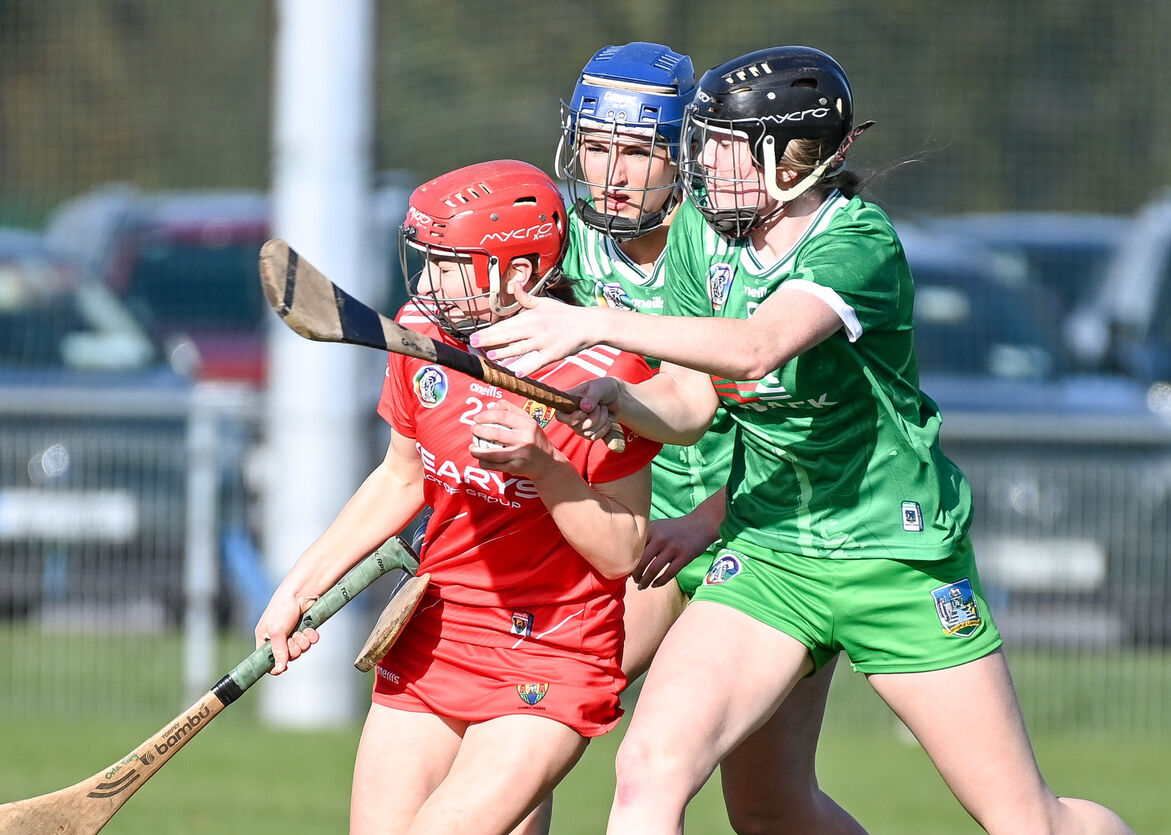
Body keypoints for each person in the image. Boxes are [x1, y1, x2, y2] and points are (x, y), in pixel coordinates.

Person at [471, 47, 1135, 834]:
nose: (702, 163)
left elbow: (757, 348)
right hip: (770, 554)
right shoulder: (704, 242)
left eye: (724, 145)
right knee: (655, 774)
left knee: (1029, 821)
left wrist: (593, 324)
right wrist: (621, 399)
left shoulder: (856, 243)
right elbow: (691, 401)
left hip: (893, 557)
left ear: (788, 160)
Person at [253, 159, 662, 835]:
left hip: (552, 647)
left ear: (519, 272)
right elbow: (400, 477)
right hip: (438, 631)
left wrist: (546, 467)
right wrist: (297, 589)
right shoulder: (421, 334)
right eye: (428, 261)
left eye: (448, 266)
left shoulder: (606, 370)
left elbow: (622, 551)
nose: (427, 282)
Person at [535, 41, 860, 835]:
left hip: (760, 530)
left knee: (771, 809)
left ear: (684, 154)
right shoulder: (565, 244)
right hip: (641, 539)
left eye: (636, 152)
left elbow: (798, 424)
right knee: (530, 712)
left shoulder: (739, 244)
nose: (611, 174)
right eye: (595, 146)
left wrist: (708, 519)